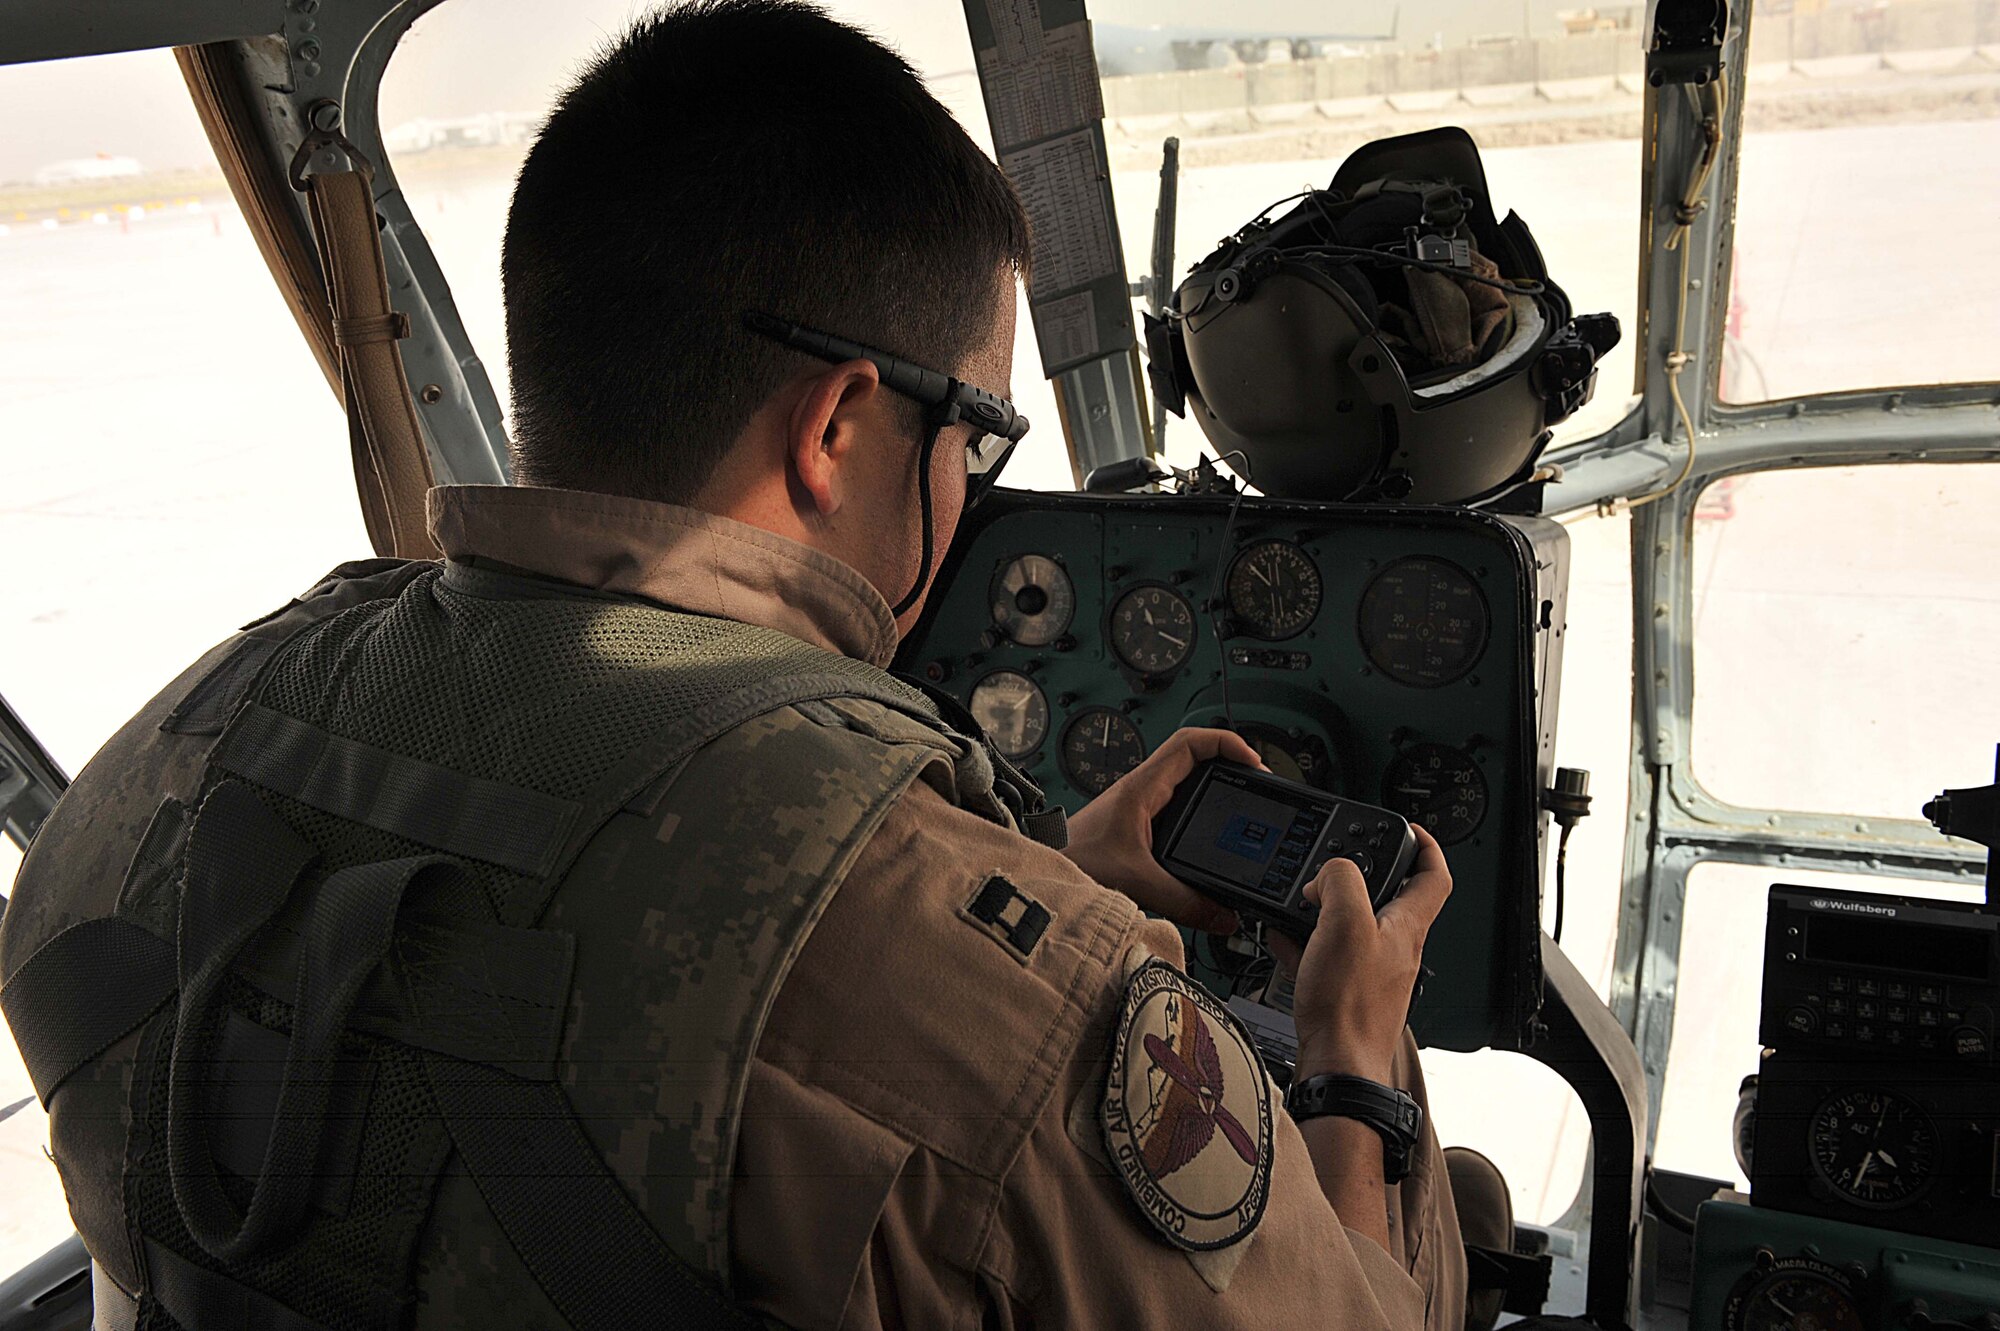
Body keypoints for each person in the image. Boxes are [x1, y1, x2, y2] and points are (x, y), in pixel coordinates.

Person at [0, 2, 1479, 1328]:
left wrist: (1048, 876)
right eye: (975, 436)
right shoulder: (1006, 1015)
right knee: (1459, 1192)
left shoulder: (155, 768)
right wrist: (1355, 1057)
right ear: (837, 429)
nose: (968, 485)